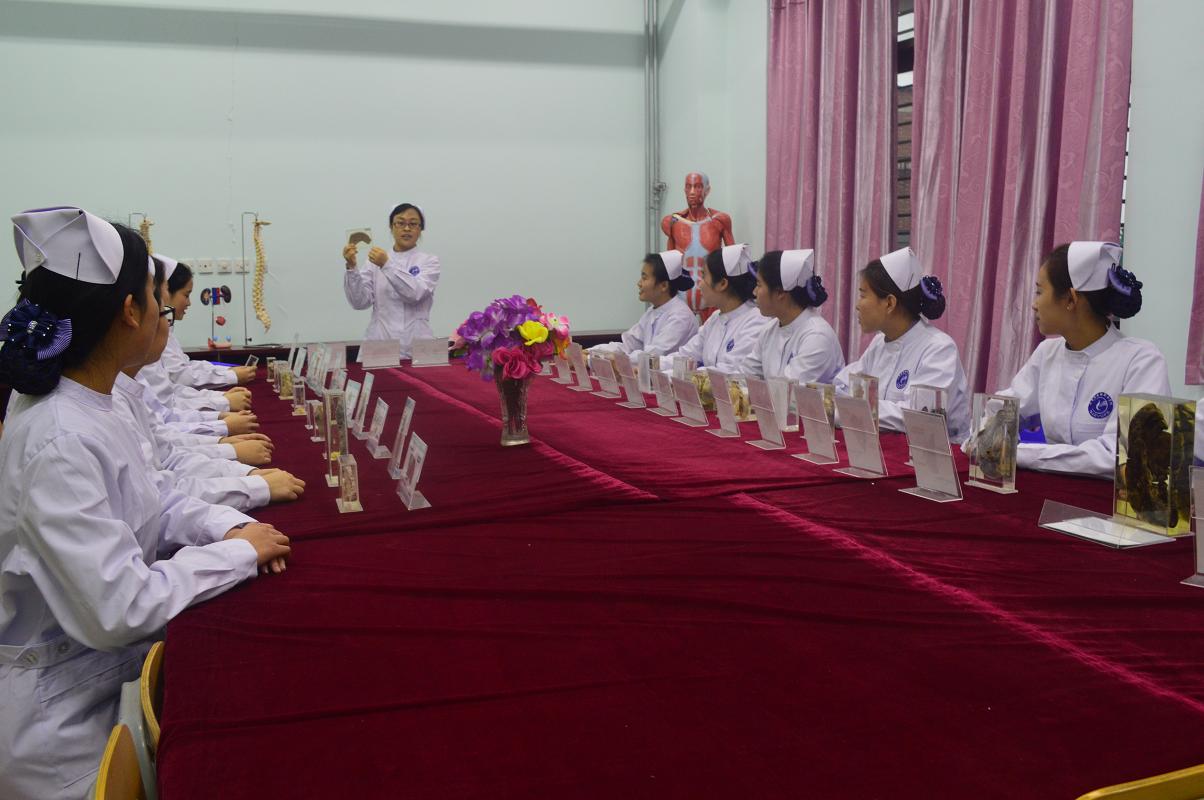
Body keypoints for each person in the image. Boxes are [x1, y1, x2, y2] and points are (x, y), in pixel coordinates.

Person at [0, 207, 291, 799]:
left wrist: (231, 526)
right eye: (159, 299)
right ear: (131, 310)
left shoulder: (93, 403)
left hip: (104, 680)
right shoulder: (60, 435)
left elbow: (156, 498)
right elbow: (122, 608)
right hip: (65, 726)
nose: (166, 314)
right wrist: (235, 556)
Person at [992, 241, 1169, 476]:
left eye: (1039, 292)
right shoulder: (1047, 353)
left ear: (1070, 299)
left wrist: (1019, 453)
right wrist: (987, 435)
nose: (1034, 305)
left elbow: (1120, 456)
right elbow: (1005, 408)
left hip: (1106, 497)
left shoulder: (1142, 360)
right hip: (1052, 490)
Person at [834, 246, 970, 440]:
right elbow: (843, 385)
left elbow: (916, 417)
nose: (857, 305)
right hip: (885, 448)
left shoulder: (939, 348)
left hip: (938, 454)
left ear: (889, 303)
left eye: (863, 295)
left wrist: (848, 410)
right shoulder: (879, 343)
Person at [342, 203, 440, 359]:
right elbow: (359, 303)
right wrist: (351, 267)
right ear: (391, 226)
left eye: (413, 224)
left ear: (421, 229)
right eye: (400, 223)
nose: (406, 228)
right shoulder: (374, 261)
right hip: (380, 342)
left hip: (418, 345)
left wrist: (386, 265)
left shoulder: (429, 261)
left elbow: (415, 294)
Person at [741, 249, 844, 383]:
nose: (754, 292)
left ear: (780, 293)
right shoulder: (770, 329)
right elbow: (745, 375)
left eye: (759, 285)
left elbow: (786, 391)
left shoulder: (817, 336)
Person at [668, 244, 771, 373]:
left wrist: (688, 375)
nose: (699, 285)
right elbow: (686, 355)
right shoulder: (715, 318)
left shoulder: (756, 321)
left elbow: (729, 372)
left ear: (722, 284)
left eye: (703, 276)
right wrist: (652, 365)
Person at [156, 255, 255, 388]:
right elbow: (179, 378)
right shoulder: (154, 333)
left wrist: (228, 371)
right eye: (186, 295)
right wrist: (230, 377)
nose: (189, 303)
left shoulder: (166, 329)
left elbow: (185, 367)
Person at [589, 250, 698, 363]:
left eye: (644, 278)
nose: (639, 283)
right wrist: (591, 352)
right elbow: (628, 344)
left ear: (664, 286)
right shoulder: (652, 311)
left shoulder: (681, 316)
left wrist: (611, 358)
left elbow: (653, 356)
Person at [662, 172, 735, 317]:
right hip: (682, 297)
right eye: (688, 187)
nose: (692, 192)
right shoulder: (671, 222)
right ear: (684, 190)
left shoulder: (719, 220)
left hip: (712, 297)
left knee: (712, 331)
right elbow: (670, 265)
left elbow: (733, 262)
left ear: (707, 190)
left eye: (698, 187)